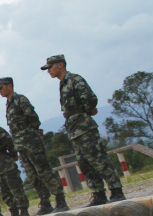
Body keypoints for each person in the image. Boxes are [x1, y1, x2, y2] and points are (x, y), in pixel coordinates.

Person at [42, 55, 126, 206]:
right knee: (84, 162)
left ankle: (116, 190)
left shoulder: (74, 79)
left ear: (60, 65)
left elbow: (90, 98)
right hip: (74, 129)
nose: (48, 71)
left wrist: (85, 112)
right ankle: (99, 194)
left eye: (50, 67)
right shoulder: (63, 84)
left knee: (98, 158)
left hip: (84, 127)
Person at [0, 77, 68, 214]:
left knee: (44, 170)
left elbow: (33, 118)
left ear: (9, 86)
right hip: (20, 144)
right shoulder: (8, 104)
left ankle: (60, 200)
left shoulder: (20, 99)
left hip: (30, 141)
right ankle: (45, 203)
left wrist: (32, 132)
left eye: (1, 88)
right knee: (32, 175)